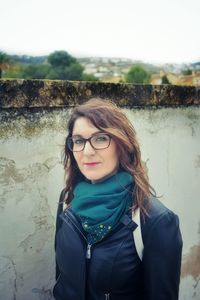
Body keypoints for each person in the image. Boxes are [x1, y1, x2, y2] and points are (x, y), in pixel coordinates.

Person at [53, 98, 183, 300]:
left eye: (101, 138)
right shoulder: (68, 200)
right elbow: (61, 278)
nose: (87, 151)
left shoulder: (154, 220)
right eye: (78, 141)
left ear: (122, 145)